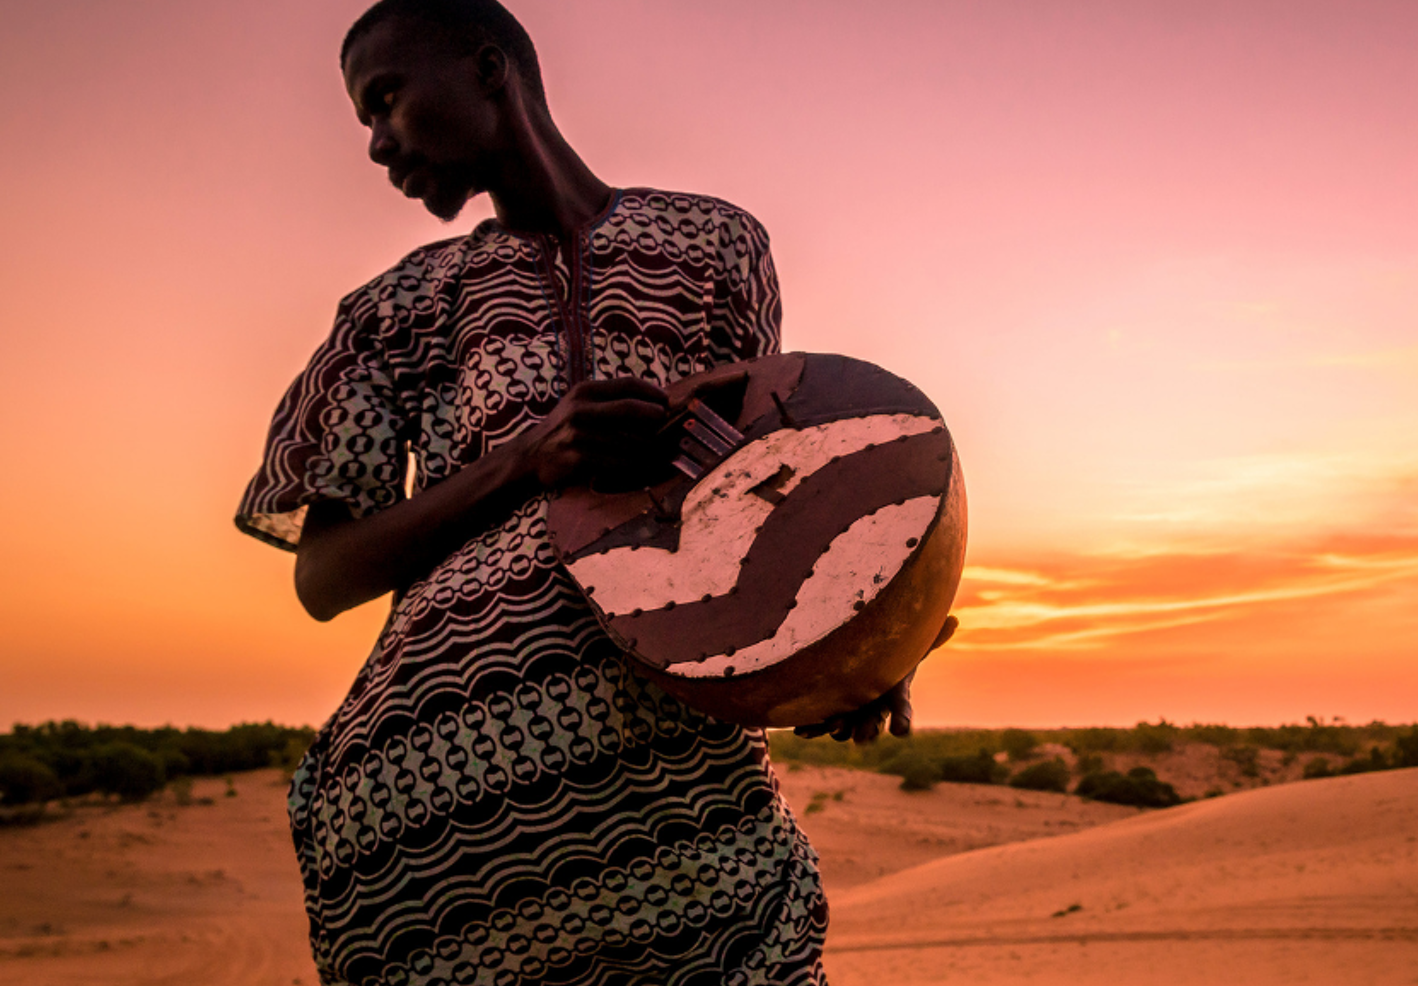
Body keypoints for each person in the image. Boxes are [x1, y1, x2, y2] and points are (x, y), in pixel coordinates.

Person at [235, 1, 935, 982]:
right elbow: (322, 575)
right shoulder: (393, 308)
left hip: (681, 795)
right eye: (364, 119)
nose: (376, 143)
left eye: (385, 99)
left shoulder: (718, 246)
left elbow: (762, 486)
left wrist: (865, 643)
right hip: (431, 827)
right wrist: (519, 461)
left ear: (489, 69)